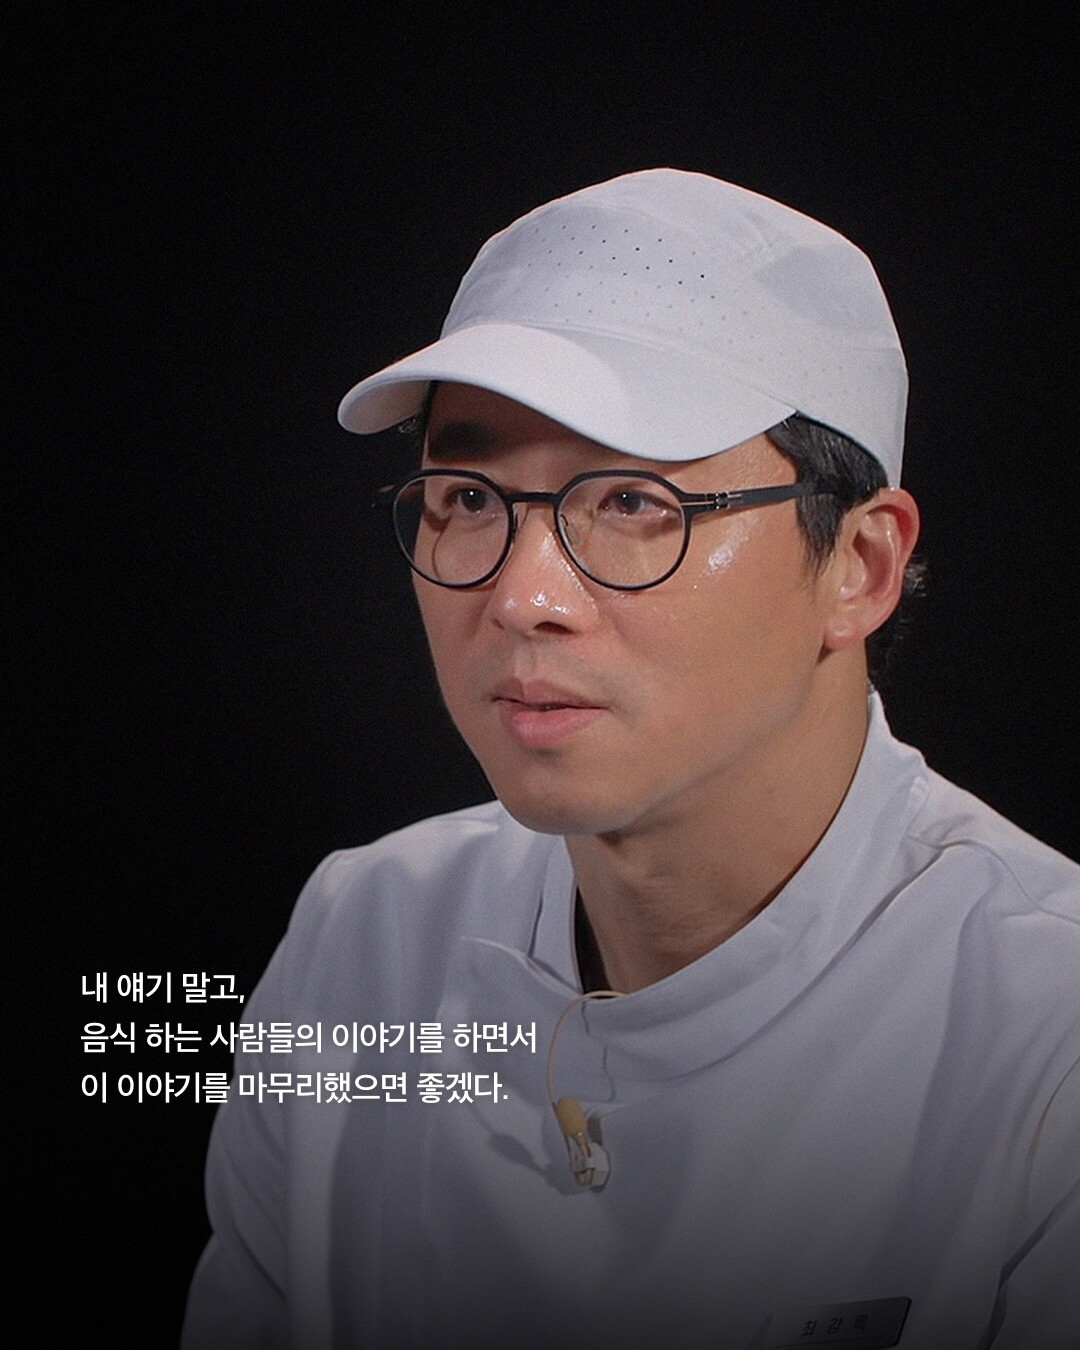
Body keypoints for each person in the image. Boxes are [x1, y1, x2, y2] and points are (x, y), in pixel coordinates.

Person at [183, 170, 1078, 1349]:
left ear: (859, 566)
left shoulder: (1044, 1031)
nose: (521, 597)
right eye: (468, 496)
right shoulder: (368, 943)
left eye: (634, 502)